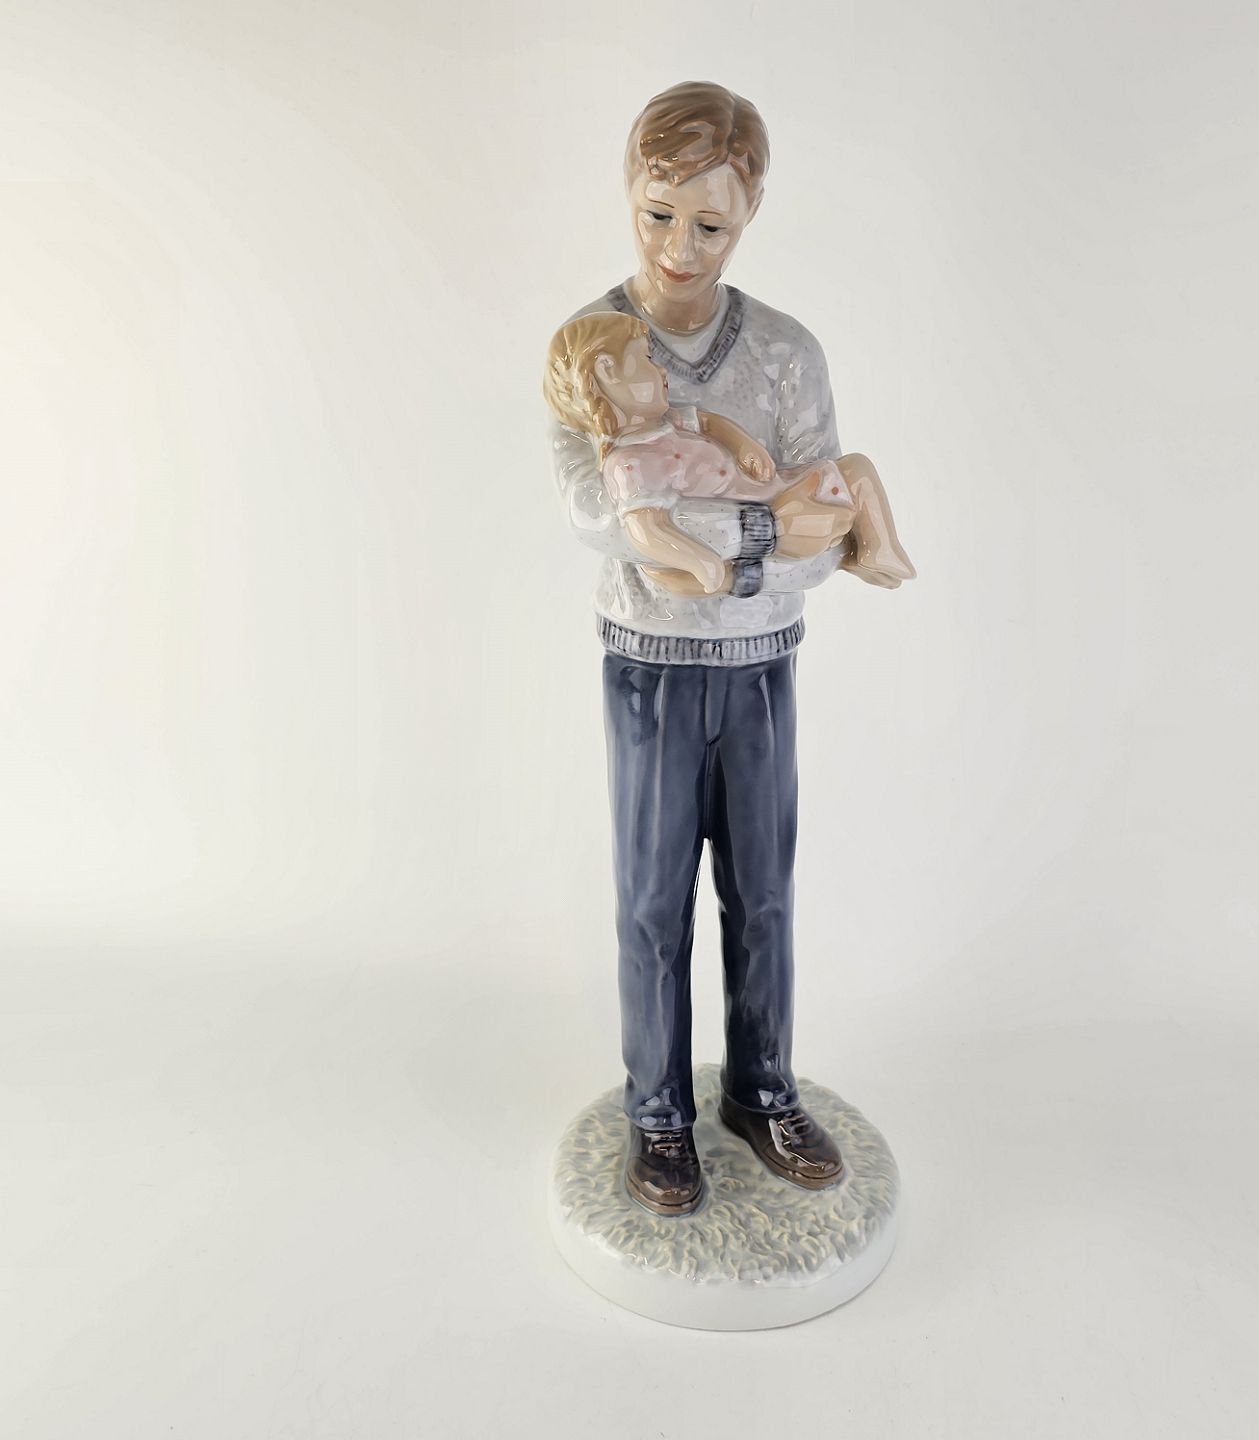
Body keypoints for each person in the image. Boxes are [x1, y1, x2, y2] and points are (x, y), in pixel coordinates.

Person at [546, 81, 912, 1216]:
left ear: (750, 212)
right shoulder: (591, 347)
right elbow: (600, 515)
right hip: (651, 670)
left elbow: (829, 524)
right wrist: (760, 534)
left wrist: (748, 555)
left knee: (762, 895)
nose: (680, 247)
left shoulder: (787, 354)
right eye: (659, 215)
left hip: (757, 670)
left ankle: (761, 1089)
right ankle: (658, 1110)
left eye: (711, 223)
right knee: (652, 900)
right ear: (629, 190)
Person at [543, 308, 916, 594]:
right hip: (771, 506)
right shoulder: (629, 464)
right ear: (607, 371)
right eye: (646, 359)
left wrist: (744, 445)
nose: (662, 371)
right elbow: (646, 528)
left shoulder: (668, 422)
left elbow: (708, 423)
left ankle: (877, 550)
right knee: (851, 477)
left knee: (854, 469)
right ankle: (873, 548)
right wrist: (701, 561)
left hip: (774, 488)